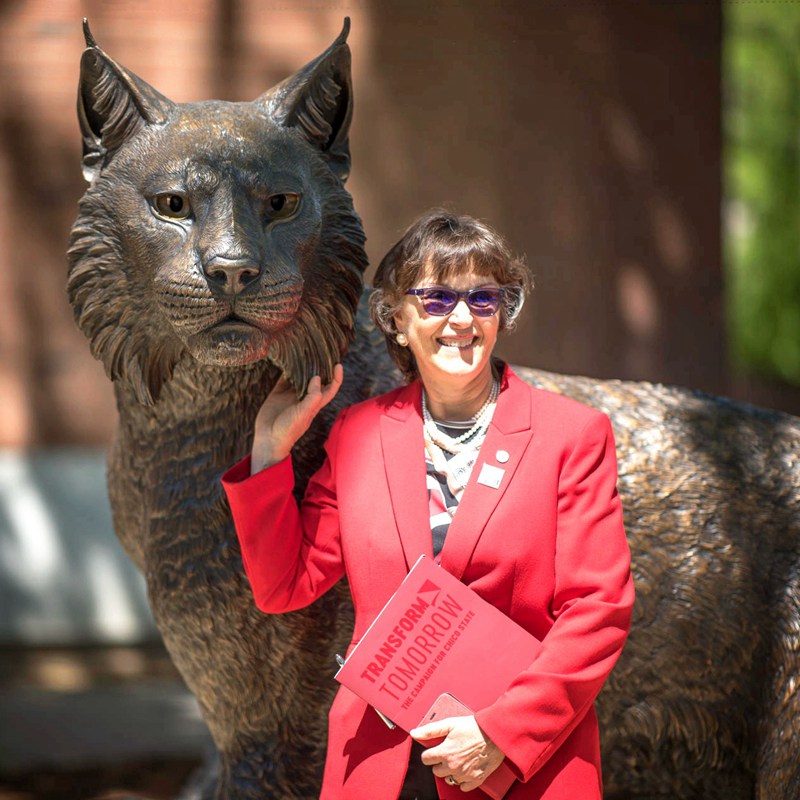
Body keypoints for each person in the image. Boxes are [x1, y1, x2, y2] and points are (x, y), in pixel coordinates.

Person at [222, 209, 634, 799]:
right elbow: (284, 584)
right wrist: (269, 450)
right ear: (396, 317)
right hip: (378, 766)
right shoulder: (357, 435)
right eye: (437, 298)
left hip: (520, 769)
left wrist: (499, 733)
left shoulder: (572, 435)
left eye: (483, 298)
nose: (462, 318)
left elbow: (599, 608)